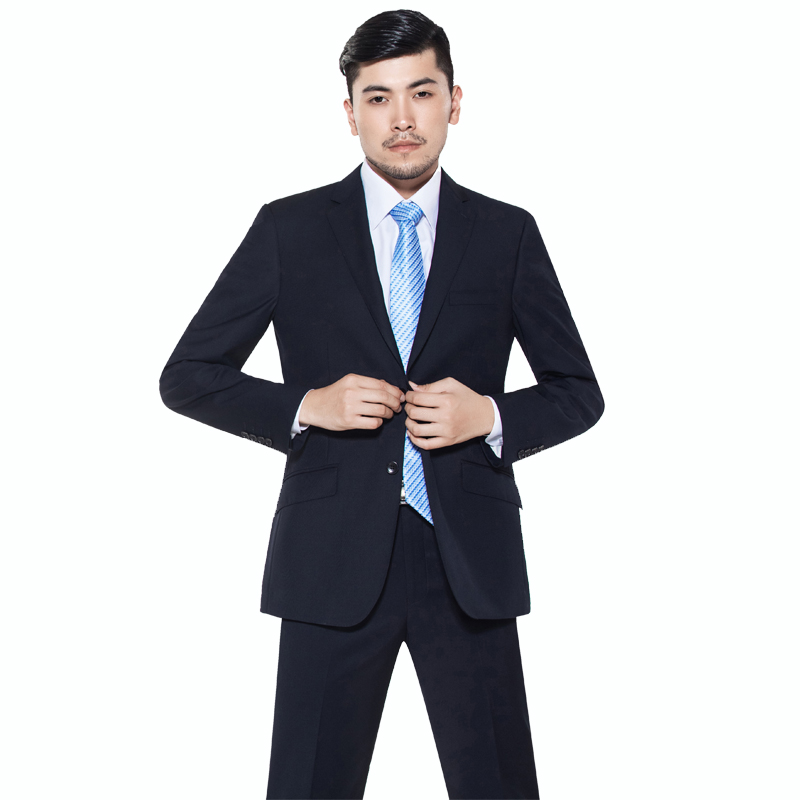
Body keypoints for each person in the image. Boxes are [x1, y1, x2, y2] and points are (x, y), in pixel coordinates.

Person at [159, 9, 603, 799]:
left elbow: (579, 392)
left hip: (467, 561)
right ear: (350, 112)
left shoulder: (506, 234)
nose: (402, 118)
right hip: (330, 558)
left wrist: (490, 417)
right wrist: (307, 405)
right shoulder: (290, 229)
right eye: (378, 97)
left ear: (454, 102)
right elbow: (188, 374)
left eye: (421, 93)